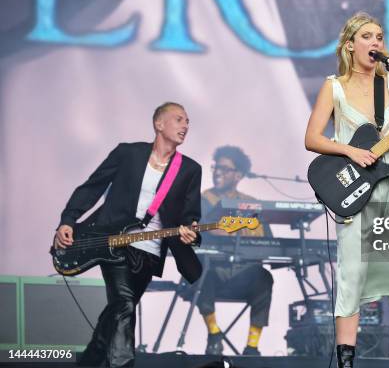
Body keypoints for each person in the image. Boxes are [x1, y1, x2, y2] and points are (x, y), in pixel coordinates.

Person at [304, 12, 389, 368]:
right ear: (350, 45)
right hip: (358, 188)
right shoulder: (333, 86)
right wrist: (349, 149)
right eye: (368, 36)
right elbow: (312, 139)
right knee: (352, 272)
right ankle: (347, 361)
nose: (376, 42)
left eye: (379, 36)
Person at [54, 102, 203, 367]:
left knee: (118, 311)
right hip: (115, 243)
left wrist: (189, 232)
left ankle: (88, 362)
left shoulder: (190, 169)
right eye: (179, 119)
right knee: (123, 304)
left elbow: (189, 215)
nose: (186, 126)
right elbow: (93, 187)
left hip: (151, 252)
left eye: (188, 121)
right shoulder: (128, 153)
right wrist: (68, 220)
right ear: (159, 124)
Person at [195, 146, 273, 356]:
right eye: (215, 167)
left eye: (224, 168)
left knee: (264, 278)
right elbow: (199, 232)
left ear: (238, 175)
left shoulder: (251, 203)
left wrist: (238, 232)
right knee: (202, 273)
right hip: (214, 273)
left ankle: (252, 347)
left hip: (242, 276)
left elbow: (267, 240)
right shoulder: (203, 200)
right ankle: (214, 334)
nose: (217, 171)